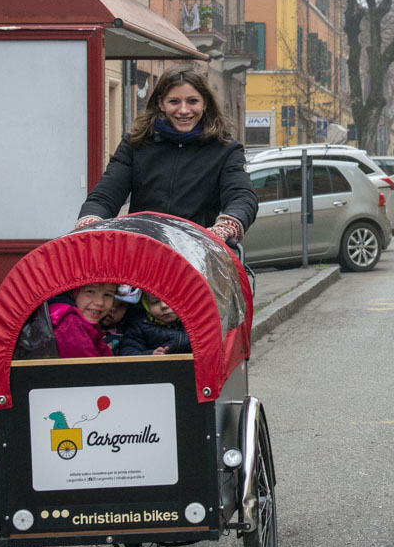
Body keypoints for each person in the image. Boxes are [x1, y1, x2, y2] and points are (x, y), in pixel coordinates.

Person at [77, 69, 256, 246]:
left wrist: (227, 225)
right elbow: (105, 196)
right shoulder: (136, 144)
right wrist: (90, 222)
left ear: (205, 103)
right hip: (142, 252)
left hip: (198, 252)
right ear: (161, 104)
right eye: (174, 102)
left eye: (192, 101)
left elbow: (241, 195)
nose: (184, 110)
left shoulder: (225, 149)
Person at [49, 283, 119, 358]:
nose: (100, 302)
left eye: (108, 295)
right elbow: (88, 367)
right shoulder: (69, 323)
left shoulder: (79, 322)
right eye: (90, 291)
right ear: (72, 292)